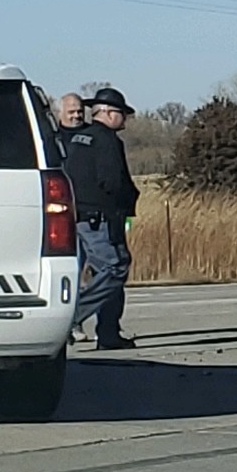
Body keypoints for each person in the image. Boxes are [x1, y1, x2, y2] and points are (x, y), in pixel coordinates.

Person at [63, 86, 140, 350]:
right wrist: (126, 201)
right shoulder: (106, 140)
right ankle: (68, 321)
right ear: (106, 113)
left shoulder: (78, 139)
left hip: (79, 216)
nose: (125, 119)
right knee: (114, 268)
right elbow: (112, 181)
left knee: (107, 274)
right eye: (122, 113)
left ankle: (108, 333)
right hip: (102, 218)